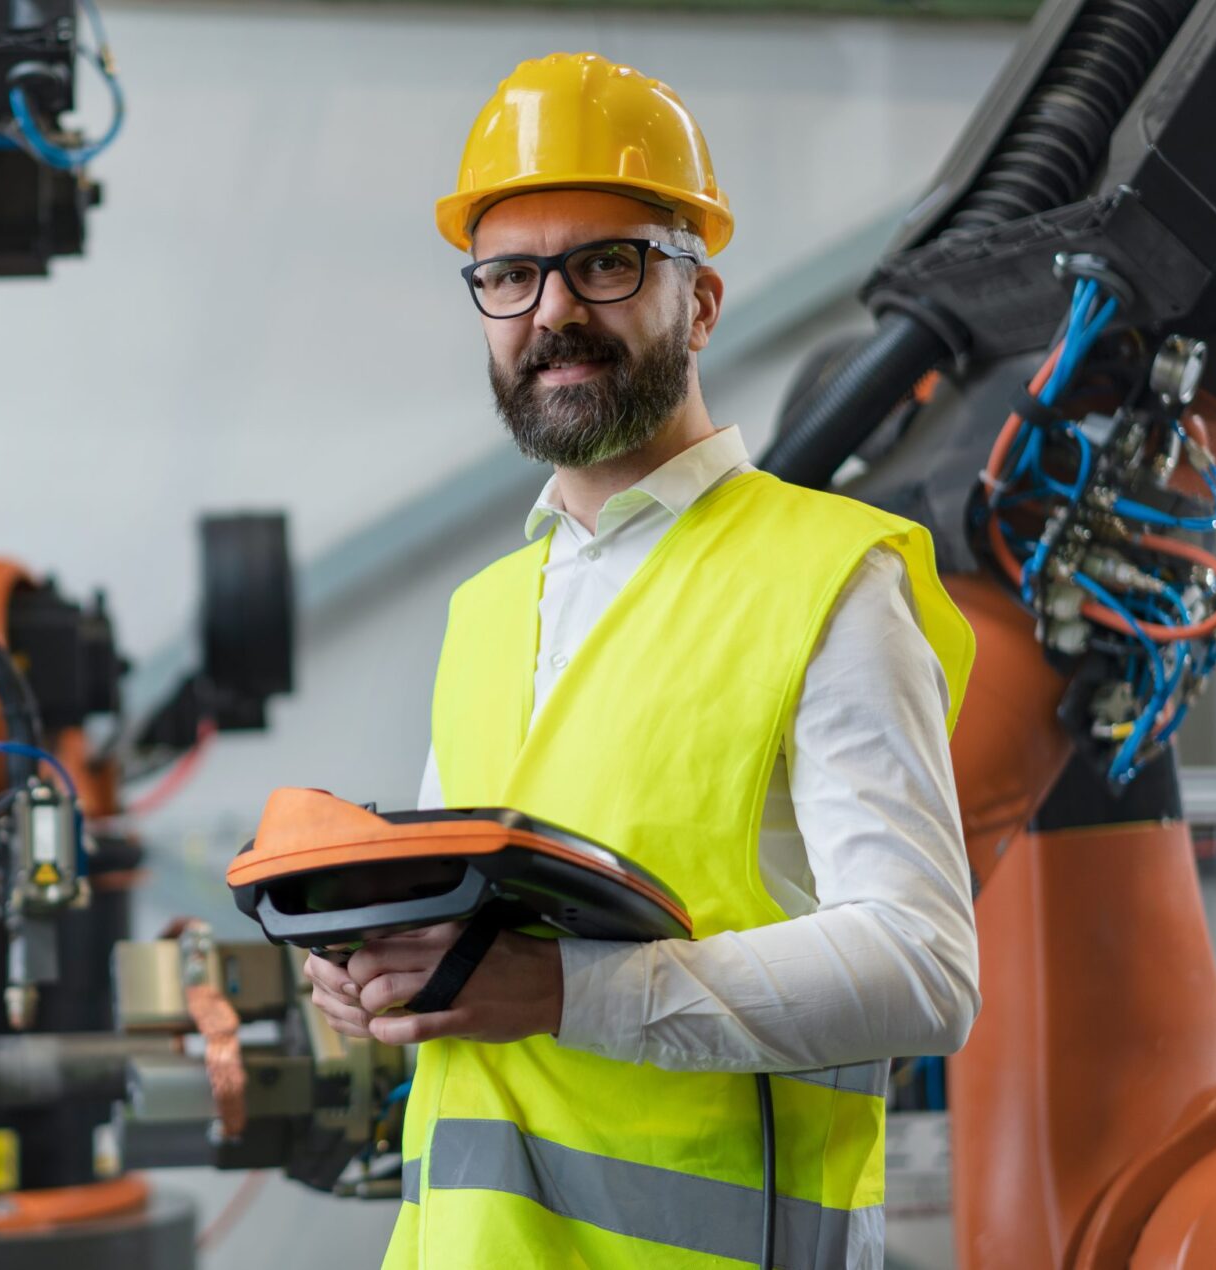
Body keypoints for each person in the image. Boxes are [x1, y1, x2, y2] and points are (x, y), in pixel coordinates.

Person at [302, 52, 980, 1268]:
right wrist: (374, 979)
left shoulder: (828, 578)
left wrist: (566, 995)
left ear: (701, 303)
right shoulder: (483, 611)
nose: (550, 311)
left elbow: (922, 967)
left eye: (602, 264)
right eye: (508, 275)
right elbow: (471, 944)